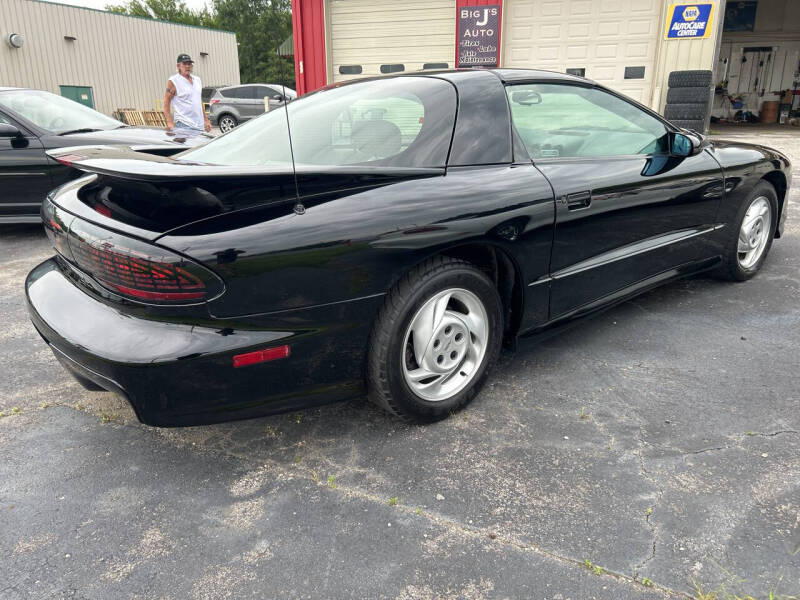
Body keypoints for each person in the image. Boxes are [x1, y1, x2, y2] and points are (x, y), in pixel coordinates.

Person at [164, 53, 211, 132]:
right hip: (183, 124)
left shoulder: (197, 80)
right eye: (184, 64)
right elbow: (166, 101)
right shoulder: (173, 81)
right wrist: (169, 122)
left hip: (199, 125)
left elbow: (199, 101)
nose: (187, 66)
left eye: (189, 64)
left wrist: (206, 120)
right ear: (178, 66)